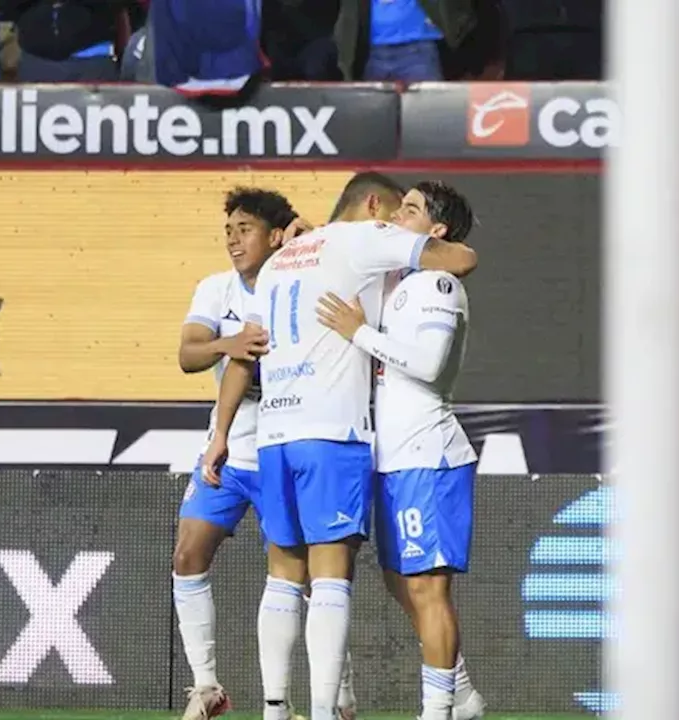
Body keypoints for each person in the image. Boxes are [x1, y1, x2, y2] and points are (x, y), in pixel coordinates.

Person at [201, 172, 477, 720]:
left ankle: (275, 710)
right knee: (332, 578)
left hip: (275, 435)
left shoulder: (284, 257)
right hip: (333, 433)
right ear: (374, 206)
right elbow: (463, 259)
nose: (395, 223)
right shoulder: (365, 243)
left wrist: (221, 432)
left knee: (283, 577)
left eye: (409, 213)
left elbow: (245, 352)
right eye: (394, 212)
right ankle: (329, 711)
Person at [175, 188, 356, 720]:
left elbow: (337, 250)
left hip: (289, 445)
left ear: (276, 234)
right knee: (188, 555)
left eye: (245, 228)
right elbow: (188, 353)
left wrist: (307, 229)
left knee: (308, 580)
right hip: (231, 451)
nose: (233, 239)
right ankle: (207, 687)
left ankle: (335, 692)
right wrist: (224, 345)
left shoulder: (301, 283)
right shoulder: (215, 289)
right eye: (228, 230)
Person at [314, 182, 484, 720]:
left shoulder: (436, 284)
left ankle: (438, 712)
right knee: (398, 580)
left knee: (427, 589)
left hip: (427, 454)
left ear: (436, 232)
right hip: (391, 457)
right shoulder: (394, 283)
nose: (395, 216)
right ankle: (460, 692)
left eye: (409, 210)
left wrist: (360, 334)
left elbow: (429, 366)